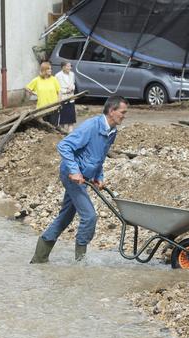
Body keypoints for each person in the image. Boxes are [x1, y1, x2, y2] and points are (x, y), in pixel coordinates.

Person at [30, 96, 128, 264]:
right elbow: (64, 145)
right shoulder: (91, 126)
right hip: (71, 176)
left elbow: (100, 156)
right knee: (89, 217)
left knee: (65, 218)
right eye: (123, 112)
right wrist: (75, 171)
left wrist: (99, 176)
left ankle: (39, 259)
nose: (124, 115)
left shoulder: (112, 131)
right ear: (112, 111)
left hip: (85, 177)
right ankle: (80, 262)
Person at [25, 61, 61, 125]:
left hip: (53, 107)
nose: (50, 70)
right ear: (44, 70)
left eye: (50, 69)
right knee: (44, 128)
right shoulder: (37, 80)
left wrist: (59, 103)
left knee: (54, 127)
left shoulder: (54, 79)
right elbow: (27, 88)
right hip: (42, 109)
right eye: (48, 69)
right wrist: (32, 93)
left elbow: (59, 92)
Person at [55, 61, 77, 133]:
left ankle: (70, 133)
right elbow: (57, 88)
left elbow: (73, 84)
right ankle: (62, 133)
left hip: (71, 98)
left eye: (70, 66)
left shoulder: (72, 74)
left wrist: (72, 88)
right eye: (68, 66)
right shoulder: (57, 75)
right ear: (63, 67)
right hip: (63, 98)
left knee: (71, 119)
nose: (69, 68)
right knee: (62, 119)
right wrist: (65, 91)